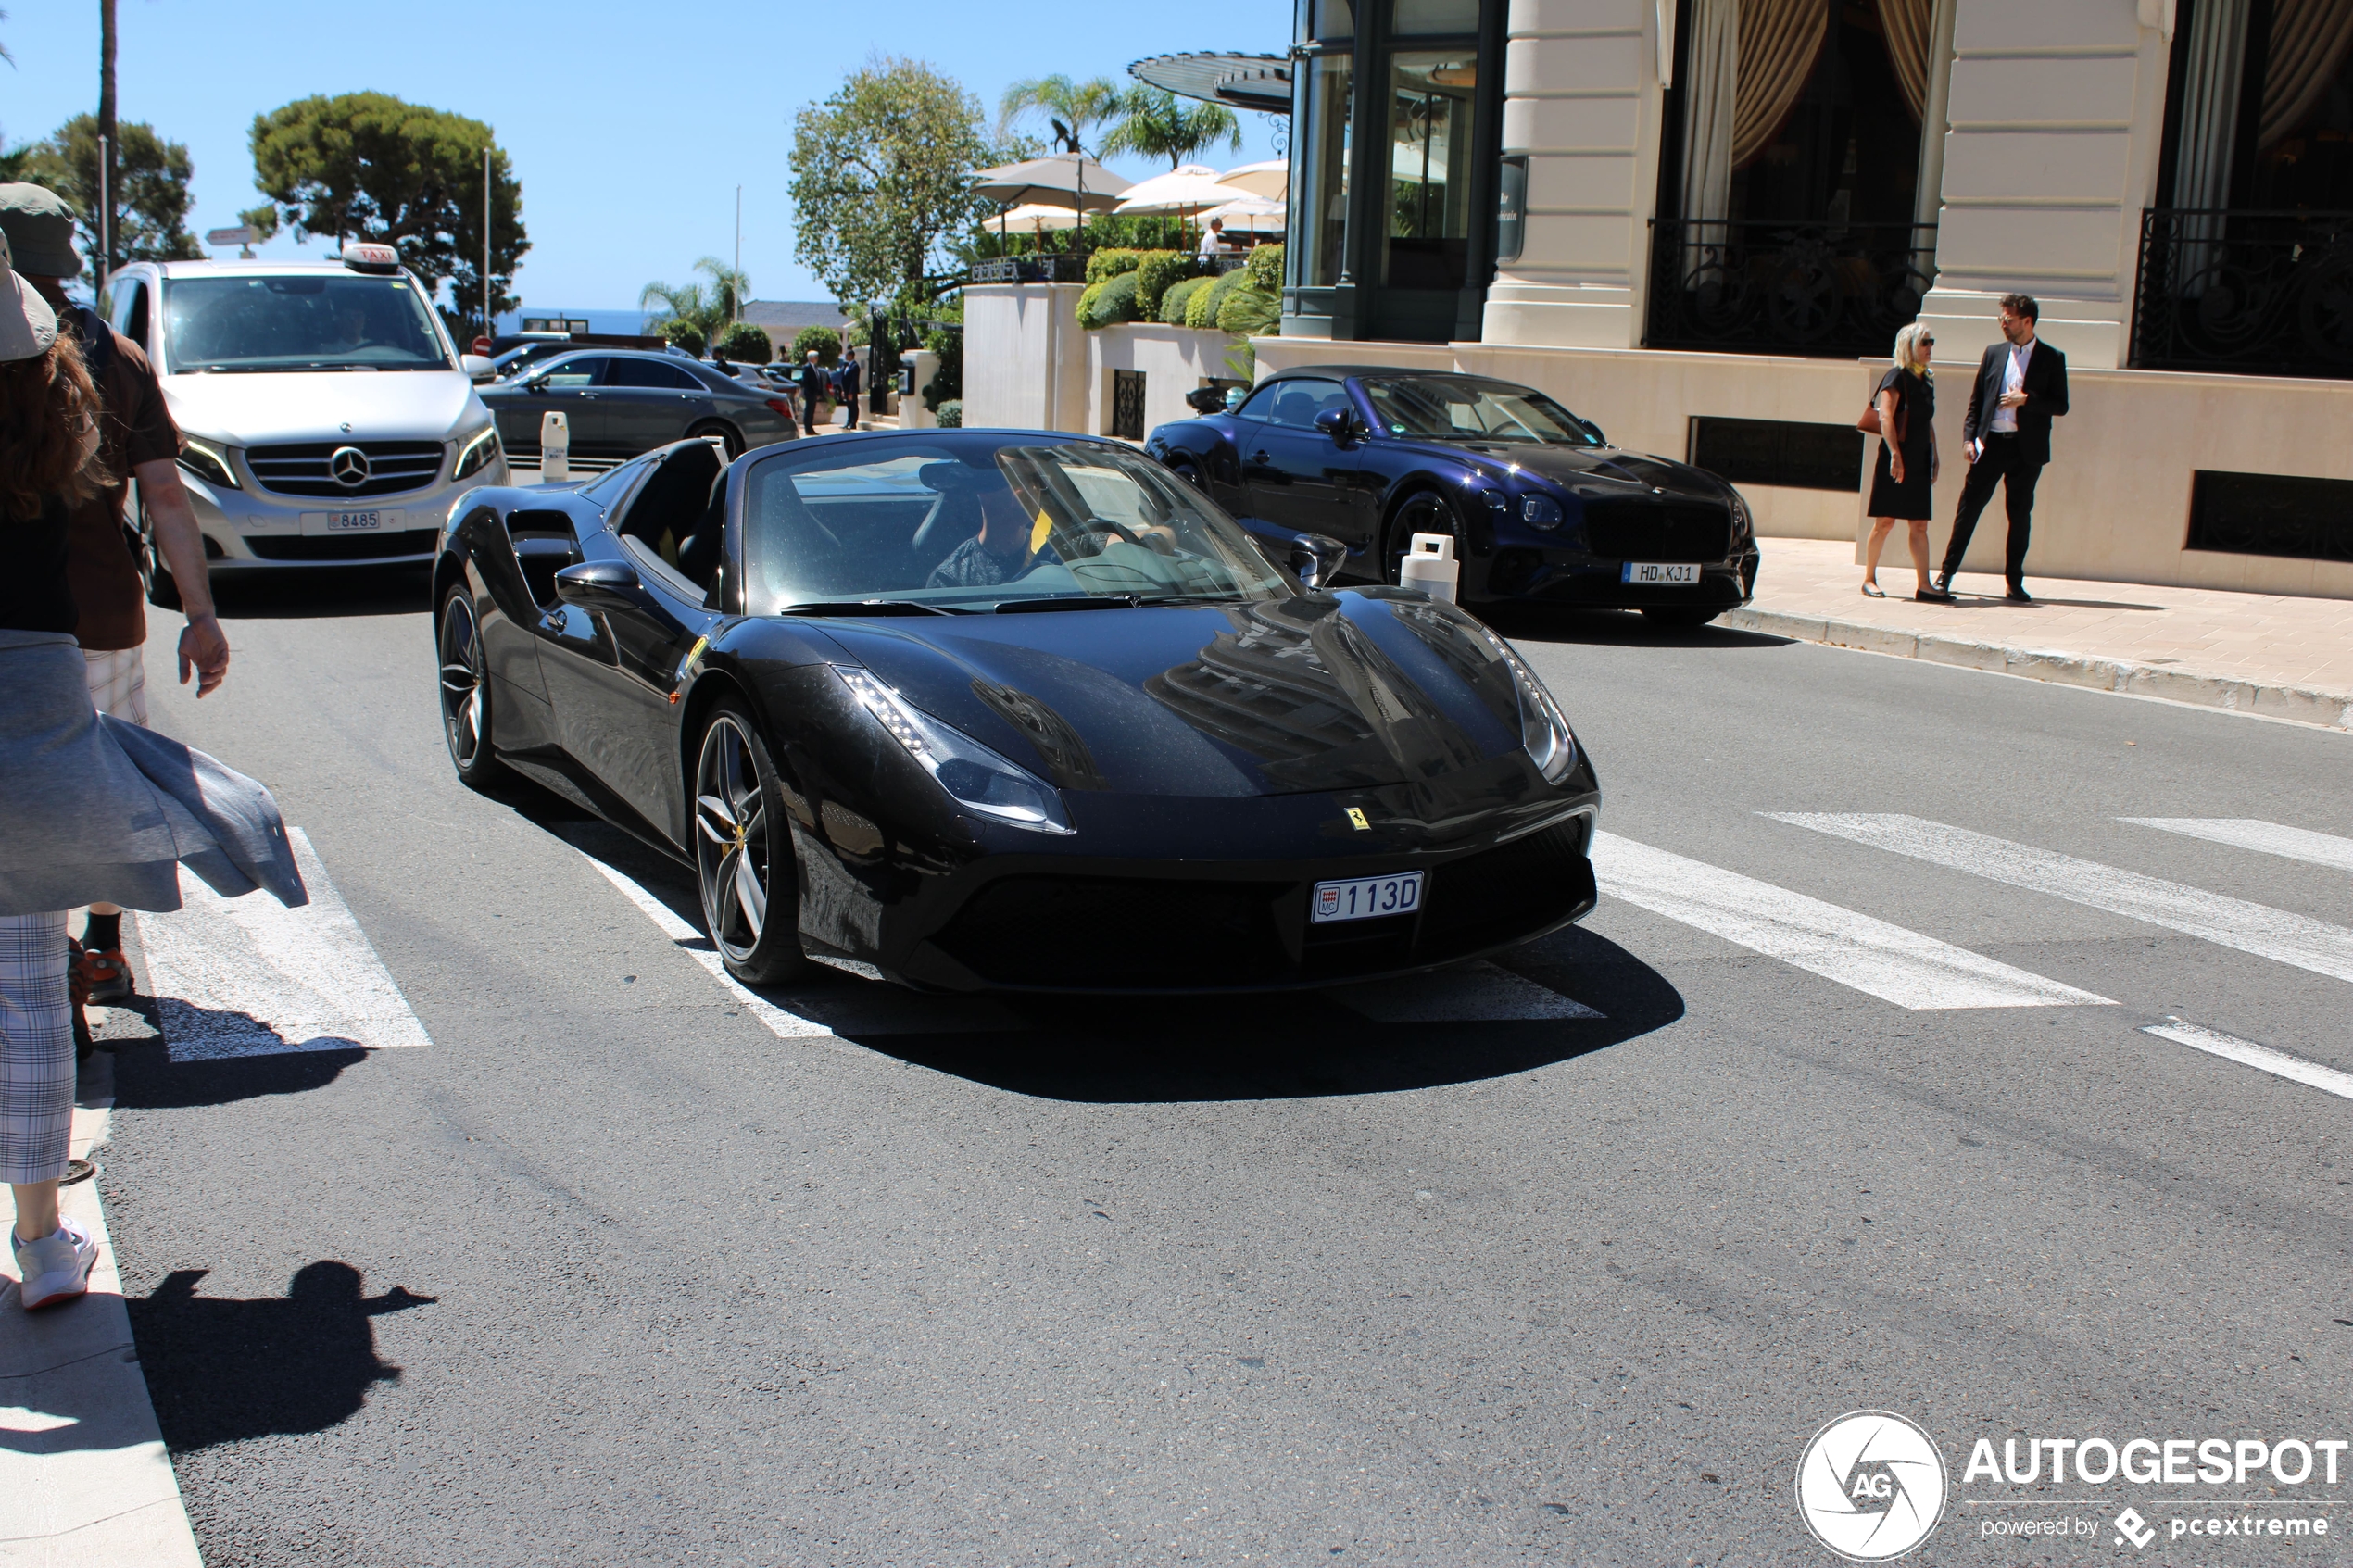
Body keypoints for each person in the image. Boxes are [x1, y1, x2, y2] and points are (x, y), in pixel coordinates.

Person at [0, 230, 302, 1311]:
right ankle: (42, 1244)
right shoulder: (78, 396)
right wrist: (205, 615)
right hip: (52, 673)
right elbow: (164, 499)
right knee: (24, 991)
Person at [0, 184, 230, 1007]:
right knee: (102, 792)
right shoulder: (118, 357)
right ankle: (101, 945)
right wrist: (199, 616)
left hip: (16, 627)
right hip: (99, 619)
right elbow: (167, 496)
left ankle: (42, 958)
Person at [1935, 292, 2069, 602]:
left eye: (2008, 319)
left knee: (2020, 515)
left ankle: (2014, 582)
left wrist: (2028, 400)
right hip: (1990, 444)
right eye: (2001, 319)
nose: (2003, 325)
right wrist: (1969, 438)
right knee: (1968, 510)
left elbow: (2061, 405)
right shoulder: (1994, 353)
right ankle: (1946, 574)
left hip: (2026, 450)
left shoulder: (2052, 358)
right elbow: (1976, 402)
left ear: (2027, 320)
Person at [1861, 323, 1950, 603]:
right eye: (1925, 342)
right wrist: (1895, 455)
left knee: (1920, 524)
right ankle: (1868, 578)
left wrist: (1934, 453)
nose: (1930, 347)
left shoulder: (1927, 378)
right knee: (1885, 522)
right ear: (1910, 345)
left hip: (1920, 456)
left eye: (1931, 342)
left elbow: (1926, 419)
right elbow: (1886, 417)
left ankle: (1924, 585)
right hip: (1897, 457)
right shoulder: (1896, 377)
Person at [794, 349, 827, 436]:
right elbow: (805, 381)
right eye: (815, 357)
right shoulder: (807, 367)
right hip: (810, 393)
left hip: (815, 393)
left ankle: (811, 428)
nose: (817, 359)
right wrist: (810, 391)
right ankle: (807, 429)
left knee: (812, 411)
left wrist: (819, 393)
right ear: (811, 358)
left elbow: (818, 380)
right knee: (808, 411)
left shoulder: (815, 367)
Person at [834, 351, 862, 432]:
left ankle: (853, 423)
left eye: (847, 355)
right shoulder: (846, 365)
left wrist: (851, 392)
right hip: (846, 389)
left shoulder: (855, 366)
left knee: (853, 406)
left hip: (851, 390)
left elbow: (854, 381)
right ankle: (848, 422)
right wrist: (843, 390)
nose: (845, 357)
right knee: (849, 406)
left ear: (851, 356)